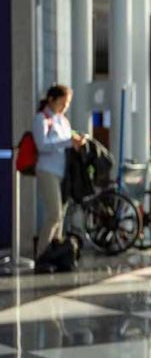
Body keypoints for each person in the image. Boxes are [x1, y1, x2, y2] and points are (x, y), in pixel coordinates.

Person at [32, 84, 84, 255]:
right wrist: (68, 142)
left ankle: (55, 251)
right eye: (63, 102)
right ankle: (42, 252)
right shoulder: (42, 118)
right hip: (47, 170)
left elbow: (67, 142)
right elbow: (42, 145)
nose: (65, 106)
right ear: (51, 100)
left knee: (61, 215)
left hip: (62, 172)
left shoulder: (63, 121)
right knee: (54, 214)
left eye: (67, 103)